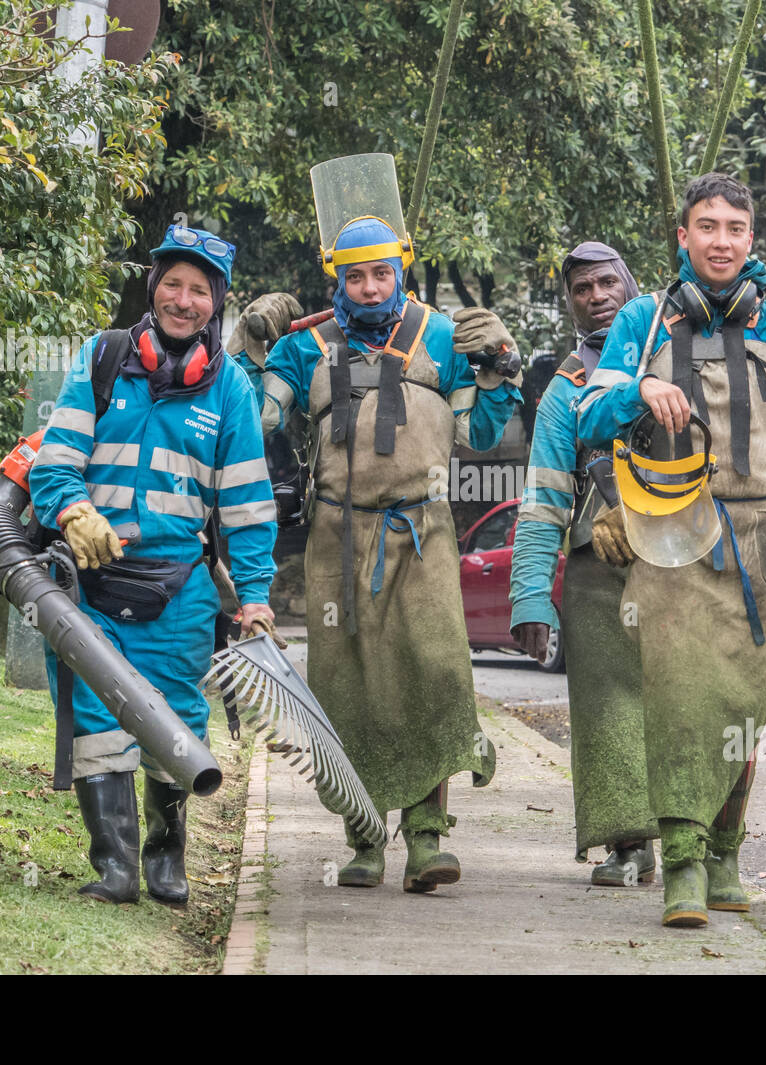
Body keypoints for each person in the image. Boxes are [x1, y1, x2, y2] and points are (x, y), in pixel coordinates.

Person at [574, 173, 766, 927]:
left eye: (735, 228)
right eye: (707, 226)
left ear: (751, 240)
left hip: (758, 541)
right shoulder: (641, 320)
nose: (721, 240)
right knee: (678, 697)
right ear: (682, 238)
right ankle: (683, 864)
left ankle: (727, 850)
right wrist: (637, 394)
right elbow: (591, 413)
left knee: (743, 705)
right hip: (668, 536)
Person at [259, 212, 524, 893]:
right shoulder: (307, 344)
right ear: (337, 278)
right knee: (346, 683)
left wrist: (499, 365)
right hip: (334, 539)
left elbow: (481, 430)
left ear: (399, 271)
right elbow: (252, 414)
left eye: (382, 273)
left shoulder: (439, 333)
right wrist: (248, 343)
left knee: (433, 673)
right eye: (356, 276)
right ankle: (364, 836)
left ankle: (428, 837)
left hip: (424, 532)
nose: (371, 287)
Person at [30, 225, 279, 905]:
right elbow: (55, 460)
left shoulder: (230, 391)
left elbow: (250, 506)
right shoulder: (104, 358)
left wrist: (253, 595)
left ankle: (166, 859)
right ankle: (114, 866)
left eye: (199, 289)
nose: (183, 299)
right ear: (153, 287)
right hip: (89, 583)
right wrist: (74, 511)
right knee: (95, 720)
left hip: (181, 591)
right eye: (173, 282)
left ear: (216, 302)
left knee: (174, 720)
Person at [508, 241, 660, 886]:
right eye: (581, 289)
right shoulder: (562, 392)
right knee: (607, 707)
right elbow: (543, 500)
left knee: (686, 703)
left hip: (686, 557)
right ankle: (627, 843)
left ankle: (695, 843)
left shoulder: (678, 354)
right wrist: (530, 597)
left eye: (606, 282)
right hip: (596, 570)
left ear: (629, 283)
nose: (596, 296)